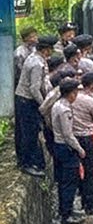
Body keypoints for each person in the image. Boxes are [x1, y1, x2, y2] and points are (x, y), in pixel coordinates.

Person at [15, 35, 55, 176]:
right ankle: (27, 164)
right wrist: (43, 105)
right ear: (46, 50)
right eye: (50, 49)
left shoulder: (34, 58)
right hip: (27, 101)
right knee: (29, 133)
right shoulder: (37, 64)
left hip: (23, 99)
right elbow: (34, 88)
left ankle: (28, 161)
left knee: (26, 132)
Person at [50, 78, 86, 224]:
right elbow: (68, 134)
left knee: (64, 182)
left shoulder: (56, 105)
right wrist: (80, 149)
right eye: (75, 92)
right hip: (66, 147)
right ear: (71, 93)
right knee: (69, 182)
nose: (76, 95)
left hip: (58, 146)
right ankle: (66, 214)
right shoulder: (64, 109)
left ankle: (66, 210)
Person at [70, 72, 93, 216]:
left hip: (72, 137)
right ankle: (90, 204)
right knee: (90, 171)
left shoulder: (73, 97)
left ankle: (79, 201)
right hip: (86, 138)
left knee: (75, 170)